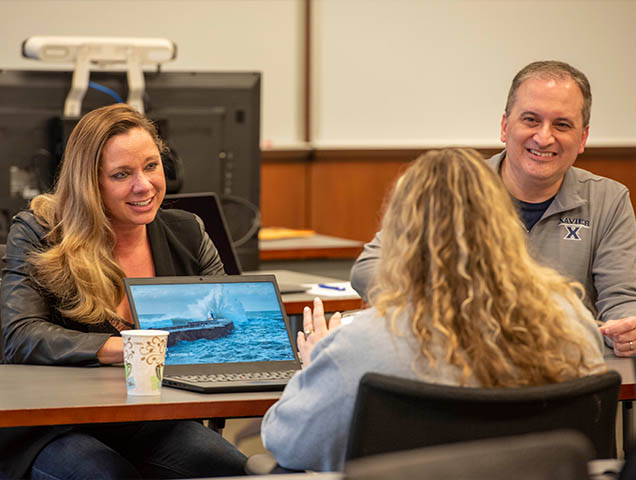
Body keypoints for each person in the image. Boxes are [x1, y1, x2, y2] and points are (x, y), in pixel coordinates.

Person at [261, 148, 605, 472]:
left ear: (400, 234)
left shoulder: (362, 344)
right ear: (505, 225)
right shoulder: (571, 321)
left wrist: (316, 363)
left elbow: (287, 443)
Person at [0, 104, 246, 479]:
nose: (144, 185)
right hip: (57, 424)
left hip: (151, 419)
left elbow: (228, 325)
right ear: (90, 183)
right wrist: (129, 348)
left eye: (151, 166)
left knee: (234, 469)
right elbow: (19, 336)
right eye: (121, 174)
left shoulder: (188, 232)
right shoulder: (39, 232)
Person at [350, 60, 636, 356]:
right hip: (467, 368)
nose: (544, 137)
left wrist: (626, 328)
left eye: (562, 124)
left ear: (583, 139)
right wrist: (451, 311)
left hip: (568, 375)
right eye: (531, 120)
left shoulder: (608, 200)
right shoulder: (455, 187)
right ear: (504, 126)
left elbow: (621, 300)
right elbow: (369, 268)